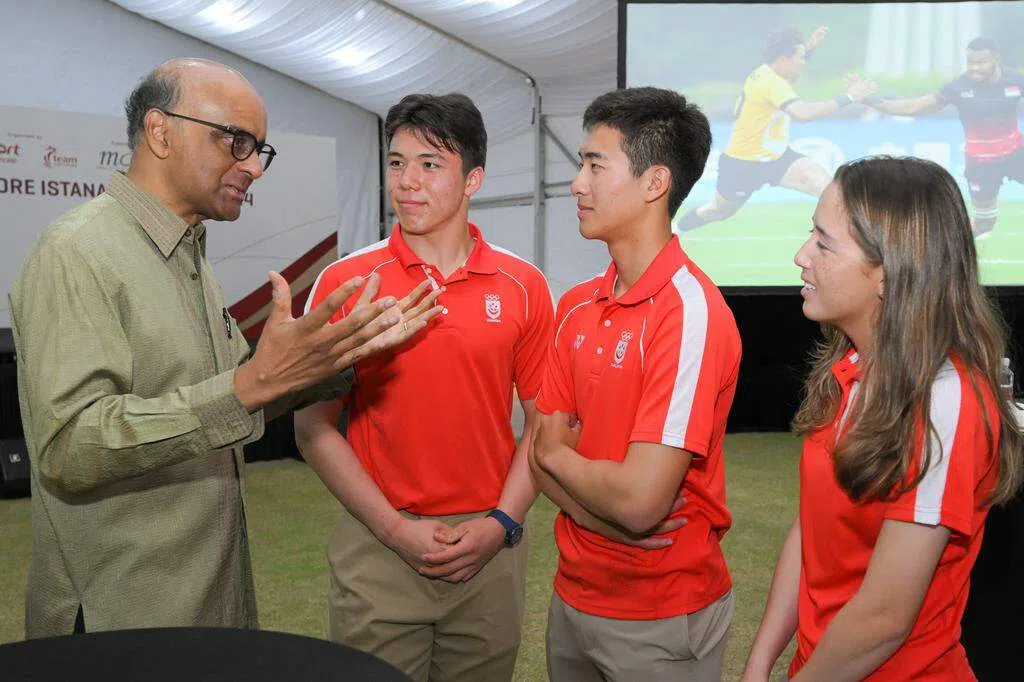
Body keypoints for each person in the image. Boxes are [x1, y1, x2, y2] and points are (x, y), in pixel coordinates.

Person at [8, 58, 440, 638]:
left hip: (207, 602)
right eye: (236, 141)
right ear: (161, 132)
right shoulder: (77, 253)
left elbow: (245, 391)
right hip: (122, 622)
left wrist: (342, 356)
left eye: (259, 149)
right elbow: (69, 447)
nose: (253, 167)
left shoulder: (186, 253)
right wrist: (247, 387)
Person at [294, 93, 554, 682]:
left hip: (490, 549)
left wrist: (501, 523)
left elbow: (545, 425)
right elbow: (312, 428)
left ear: (473, 180)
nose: (407, 181)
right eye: (396, 163)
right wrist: (392, 529)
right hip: (379, 544)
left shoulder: (523, 285)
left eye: (430, 164)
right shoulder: (346, 282)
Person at [741, 156, 1024, 681]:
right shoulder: (851, 368)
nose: (802, 255)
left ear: (890, 273)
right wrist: (759, 663)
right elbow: (812, 532)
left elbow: (884, 619)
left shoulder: (944, 400)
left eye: (824, 244)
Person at [530, 86, 742, 681]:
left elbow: (640, 501)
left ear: (655, 183)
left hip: (661, 614)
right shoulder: (576, 304)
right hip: (572, 596)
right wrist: (600, 518)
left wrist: (556, 455)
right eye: (581, 164)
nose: (577, 184)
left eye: (595, 165)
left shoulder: (690, 312)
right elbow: (540, 464)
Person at [678, 26, 876, 232]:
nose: (803, 62)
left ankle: (854, 235)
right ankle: (677, 229)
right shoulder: (770, 83)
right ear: (783, 60)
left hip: (777, 158)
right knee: (718, 211)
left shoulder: (770, 72)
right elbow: (803, 113)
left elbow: (791, 73)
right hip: (743, 163)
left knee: (822, 181)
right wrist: (849, 97)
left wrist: (807, 50)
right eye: (799, 58)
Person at [866, 37, 1024, 238]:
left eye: (981, 62)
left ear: (996, 59)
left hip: (1017, 153)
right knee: (984, 224)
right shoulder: (959, 87)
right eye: (970, 62)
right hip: (981, 164)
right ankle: (935, 241)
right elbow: (916, 106)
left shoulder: (1015, 81)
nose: (974, 68)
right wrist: (872, 102)